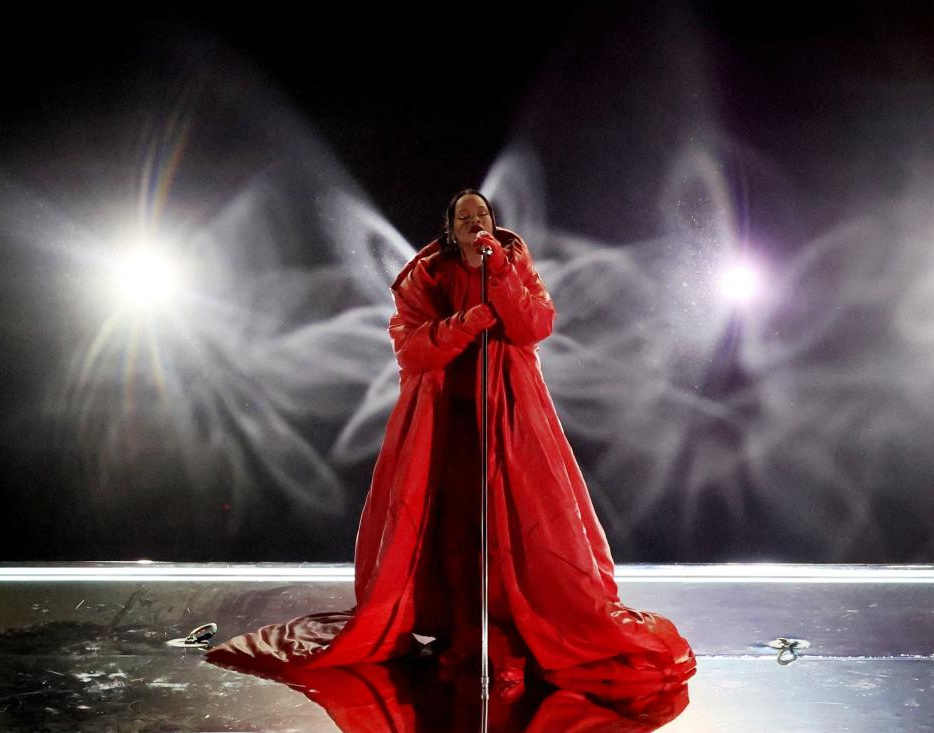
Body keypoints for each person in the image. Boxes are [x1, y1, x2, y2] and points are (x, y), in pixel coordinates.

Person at [205, 189, 696, 693]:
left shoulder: (512, 263)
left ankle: (514, 629)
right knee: (458, 529)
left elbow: (534, 325)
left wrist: (500, 279)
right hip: (448, 422)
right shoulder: (426, 276)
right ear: (450, 226)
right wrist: (465, 323)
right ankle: (467, 631)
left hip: (511, 417)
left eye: (480, 214)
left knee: (518, 521)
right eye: (464, 216)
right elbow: (411, 348)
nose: (474, 221)